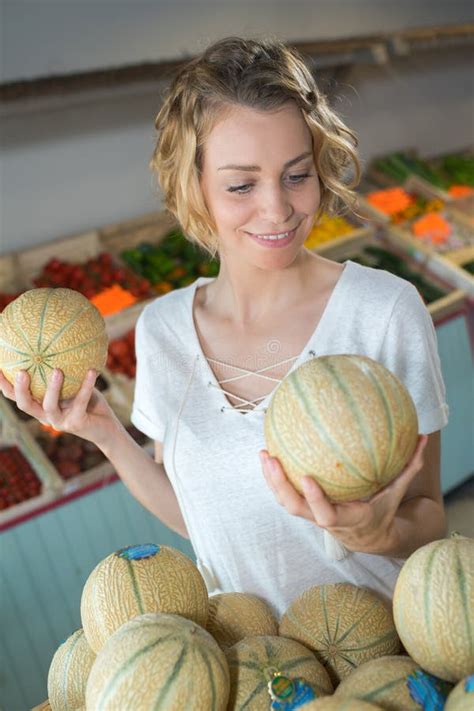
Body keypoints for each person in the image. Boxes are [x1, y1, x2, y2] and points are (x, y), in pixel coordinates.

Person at [0, 36, 448, 617]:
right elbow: (205, 519)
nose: (278, 209)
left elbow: (430, 516)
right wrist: (106, 433)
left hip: (378, 662)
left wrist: (375, 535)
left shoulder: (384, 311)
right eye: (241, 185)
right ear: (196, 188)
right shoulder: (162, 331)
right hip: (249, 663)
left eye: (297, 174)